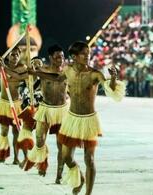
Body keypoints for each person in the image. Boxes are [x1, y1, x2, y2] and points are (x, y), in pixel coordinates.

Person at [31, 41, 125, 195]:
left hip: (89, 120)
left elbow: (110, 89)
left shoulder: (95, 74)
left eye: (88, 54)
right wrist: (36, 73)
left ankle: (88, 193)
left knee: (90, 160)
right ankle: (79, 178)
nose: (87, 56)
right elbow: (56, 78)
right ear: (74, 56)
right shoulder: (67, 70)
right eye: (83, 54)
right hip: (72, 118)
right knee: (66, 157)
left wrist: (113, 78)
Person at [22, 44, 68, 184]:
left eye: (62, 56)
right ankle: (43, 162)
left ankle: (59, 174)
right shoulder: (42, 70)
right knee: (40, 140)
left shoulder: (66, 72)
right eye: (57, 57)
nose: (60, 59)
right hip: (45, 108)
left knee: (62, 145)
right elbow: (24, 77)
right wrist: (30, 72)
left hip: (62, 110)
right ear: (50, 58)